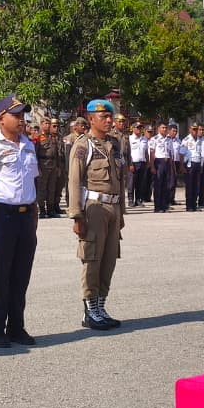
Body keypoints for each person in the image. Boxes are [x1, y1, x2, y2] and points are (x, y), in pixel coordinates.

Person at [0, 95, 40, 348]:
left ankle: (17, 327)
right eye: (16, 115)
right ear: (0, 118)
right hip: (2, 215)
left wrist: (34, 215)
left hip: (25, 216)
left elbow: (33, 182)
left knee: (21, 275)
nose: (21, 120)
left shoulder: (29, 145)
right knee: (1, 276)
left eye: (23, 115)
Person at [69, 98, 127, 330]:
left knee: (109, 259)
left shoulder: (114, 144)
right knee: (92, 259)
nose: (109, 120)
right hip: (94, 208)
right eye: (103, 117)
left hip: (113, 208)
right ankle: (90, 310)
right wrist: (76, 216)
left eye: (110, 116)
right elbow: (74, 182)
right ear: (91, 119)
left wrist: (121, 212)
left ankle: (101, 306)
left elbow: (121, 181)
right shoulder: (84, 146)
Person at [181, 123, 204, 212]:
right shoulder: (186, 140)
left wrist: (201, 165)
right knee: (190, 186)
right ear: (190, 130)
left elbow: (201, 154)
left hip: (198, 164)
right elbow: (181, 154)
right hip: (190, 165)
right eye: (193, 129)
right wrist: (182, 166)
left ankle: (194, 205)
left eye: (196, 129)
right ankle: (189, 206)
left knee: (196, 186)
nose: (195, 131)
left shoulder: (200, 140)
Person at [128, 122, 151, 206]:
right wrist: (130, 164)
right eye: (137, 128)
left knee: (140, 183)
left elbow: (146, 152)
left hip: (142, 163)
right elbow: (128, 152)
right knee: (131, 183)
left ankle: (138, 200)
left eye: (140, 128)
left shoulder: (144, 139)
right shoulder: (130, 139)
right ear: (133, 128)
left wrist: (148, 162)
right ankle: (130, 200)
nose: (139, 129)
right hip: (133, 163)